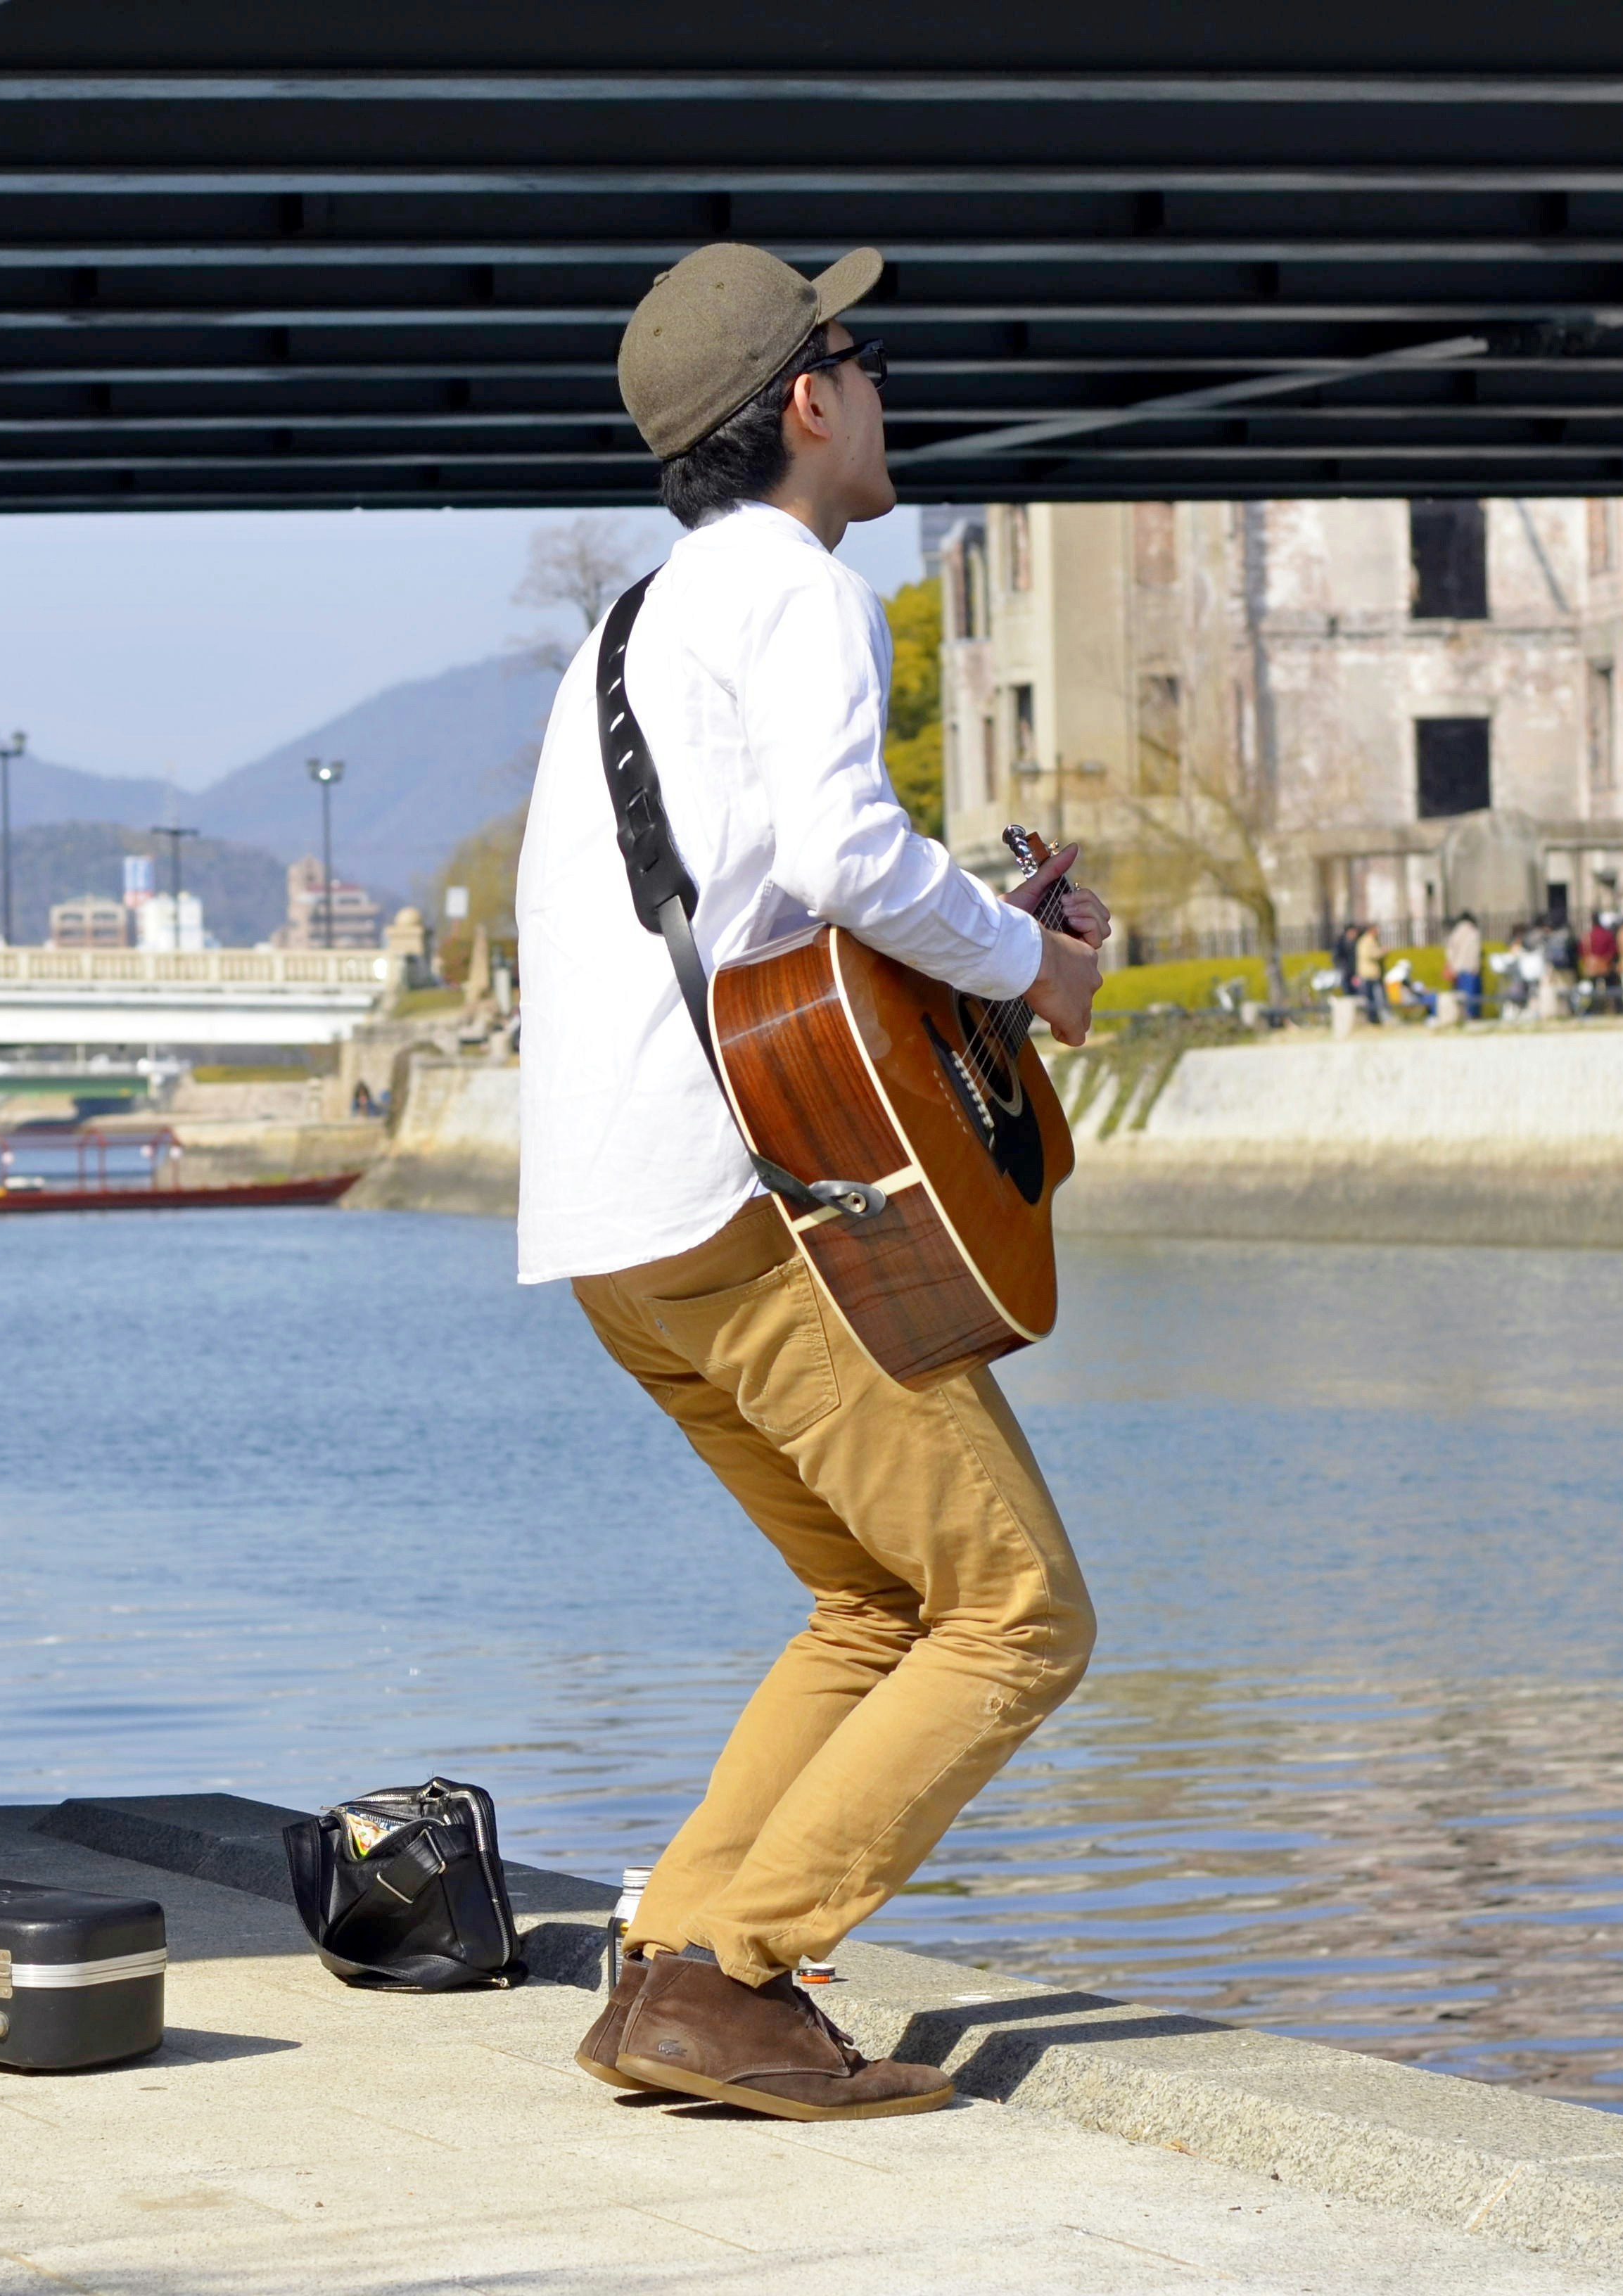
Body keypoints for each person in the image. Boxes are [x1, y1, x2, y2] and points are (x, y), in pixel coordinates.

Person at [520, 241, 1109, 2124]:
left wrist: (972, 919)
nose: (883, 389)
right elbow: (849, 858)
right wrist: (1040, 969)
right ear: (803, 403)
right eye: (862, 358)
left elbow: (763, 888)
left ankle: (672, 1961)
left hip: (617, 1228)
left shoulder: (632, 631)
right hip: (755, 1195)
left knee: (872, 1603)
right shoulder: (797, 590)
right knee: (1017, 1610)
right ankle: (744, 1970)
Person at [1444, 912, 1486, 1021]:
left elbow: (1450, 952)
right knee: (1472, 997)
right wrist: (1476, 967)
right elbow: (1476, 952)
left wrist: (1452, 966)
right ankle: (1473, 1017)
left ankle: (1462, 1017)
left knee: (1461, 996)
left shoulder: (1456, 932)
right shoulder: (1474, 932)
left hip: (1459, 969)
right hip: (1471, 969)